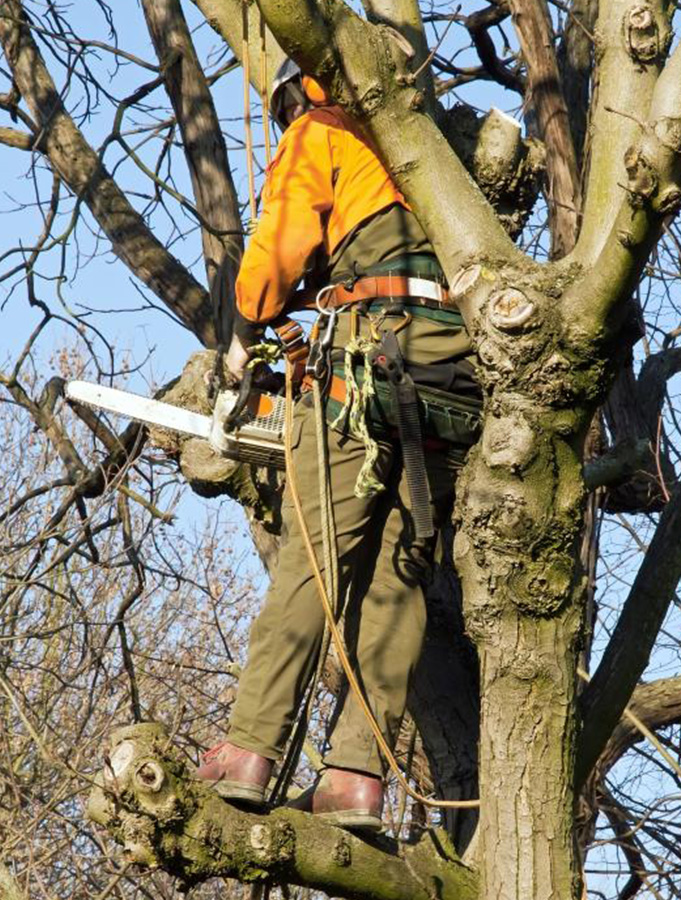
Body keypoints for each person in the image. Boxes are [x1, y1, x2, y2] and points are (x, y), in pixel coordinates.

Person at [197, 59, 479, 830]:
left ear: (298, 90)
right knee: (399, 573)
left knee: (311, 559)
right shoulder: (432, 153)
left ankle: (251, 750)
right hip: (453, 378)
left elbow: (274, 259)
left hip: (369, 364)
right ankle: (356, 777)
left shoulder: (322, 130)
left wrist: (242, 336)